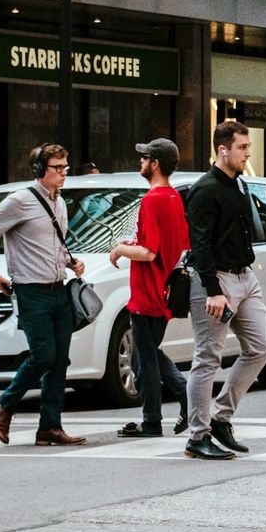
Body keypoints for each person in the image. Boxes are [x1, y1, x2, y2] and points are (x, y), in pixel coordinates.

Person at [0, 143, 87, 446]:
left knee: (59, 361)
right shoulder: (20, 200)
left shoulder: (59, 202)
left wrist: (69, 261)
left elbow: (50, 244)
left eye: (66, 167)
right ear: (40, 169)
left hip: (58, 289)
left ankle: (50, 426)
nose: (64, 173)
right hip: (30, 291)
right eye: (57, 168)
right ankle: (6, 403)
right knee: (43, 355)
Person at [182, 120, 266, 460]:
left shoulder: (240, 184)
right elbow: (200, 245)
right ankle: (197, 435)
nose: (248, 153)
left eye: (248, 147)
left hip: (245, 278)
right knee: (207, 359)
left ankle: (221, 417)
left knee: (261, 347)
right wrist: (212, 289)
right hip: (215, 281)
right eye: (243, 148)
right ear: (224, 150)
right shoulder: (205, 190)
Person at [109, 138, 190, 438]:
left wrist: (120, 249)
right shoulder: (173, 198)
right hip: (165, 288)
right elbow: (174, 243)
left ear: (155, 163)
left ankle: (158, 417)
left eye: (144, 158)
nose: (140, 162)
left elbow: (150, 252)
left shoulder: (153, 199)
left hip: (149, 289)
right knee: (146, 354)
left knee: (145, 356)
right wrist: (134, 244)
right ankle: (164, 411)